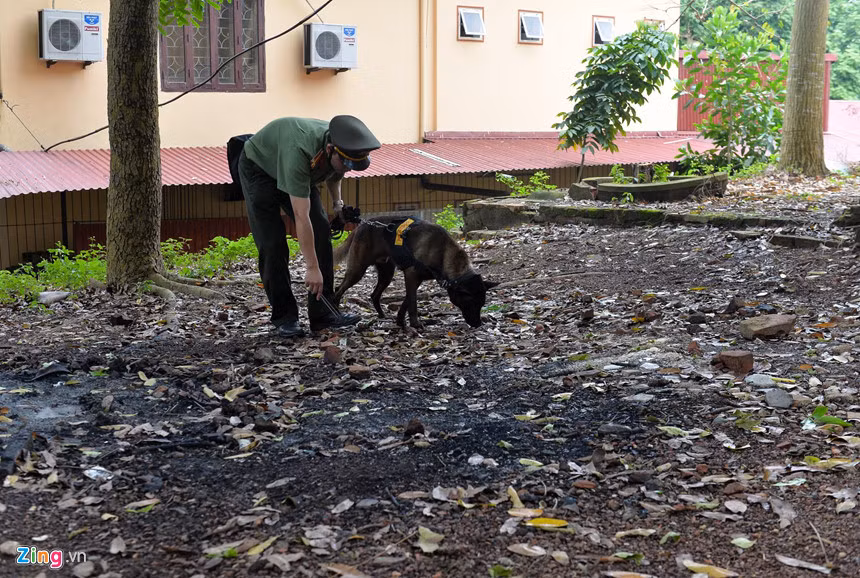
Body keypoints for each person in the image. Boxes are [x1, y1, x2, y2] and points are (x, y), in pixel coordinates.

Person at [237, 115, 381, 337]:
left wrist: (338, 206)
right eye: (347, 163)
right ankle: (285, 318)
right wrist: (312, 268)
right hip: (260, 168)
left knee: (321, 229)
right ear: (331, 149)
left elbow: (336, 173)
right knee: (273, 244)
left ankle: (323, 315)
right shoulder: (300, 152)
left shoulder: (341, 145)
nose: (348, 169)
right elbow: (300, 216)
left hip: (299, 167)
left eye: (354, 165)